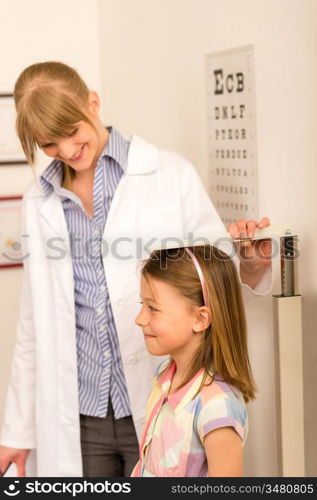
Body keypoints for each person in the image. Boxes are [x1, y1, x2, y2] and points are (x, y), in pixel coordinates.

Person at [0, 61, 271, 477]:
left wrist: (250, 265)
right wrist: (16, 431)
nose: (68, 150)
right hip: (80, 414)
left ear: (92, 102)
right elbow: (32, 323)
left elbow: (215, 278)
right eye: (49, 144)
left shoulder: (169, 174)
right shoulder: (40, 200)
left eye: (72, 131)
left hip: (162, 400)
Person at [132, 245, 255, 477]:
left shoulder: (217, 407)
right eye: (142, 305)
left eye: (153, 308)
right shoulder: (165, 377)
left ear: (200, 319)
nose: (140, 319)